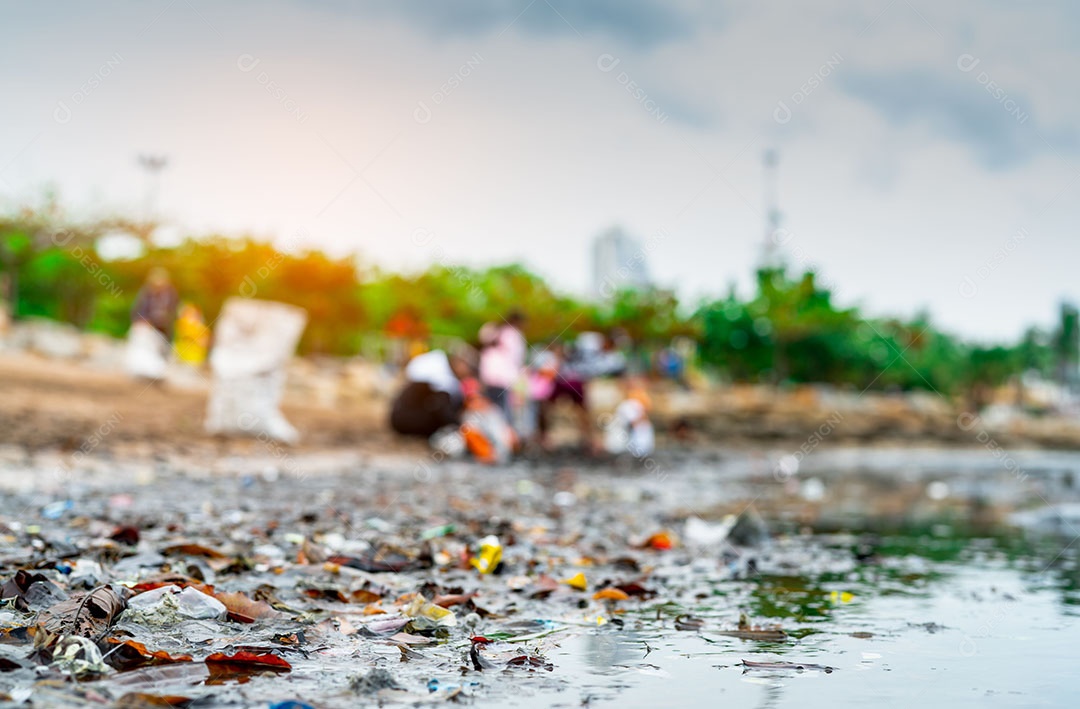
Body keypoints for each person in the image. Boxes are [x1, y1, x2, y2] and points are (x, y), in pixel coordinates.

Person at [389, 347, 475, 438]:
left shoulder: (437, 366)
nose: (467, 372)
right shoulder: (440, 376)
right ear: (459, 362)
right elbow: (442, 408)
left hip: (401, 418)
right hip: (405, 420)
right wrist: (460, 427)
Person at [478, 312, 526, 422]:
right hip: (504, 379)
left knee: (492, 408)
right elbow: (517, 358)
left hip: (489, 377)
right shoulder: (513, 334)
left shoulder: (493, 330)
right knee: (503, 411)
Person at [131, 267, 179, 340]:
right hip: (148, 327)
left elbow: (174, 310)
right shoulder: (146, 292)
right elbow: (139, 309)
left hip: (165, 328)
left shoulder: (171, 293)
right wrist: (143, 320)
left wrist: (167, 319)